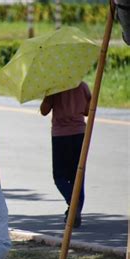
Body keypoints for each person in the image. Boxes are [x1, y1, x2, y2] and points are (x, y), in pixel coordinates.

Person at [40, 82, 91, 228]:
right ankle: (75, 209)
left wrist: (47, 95)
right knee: (78, 175)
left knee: (59, 176)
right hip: (80, 134)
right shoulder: (83, 86)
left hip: (60, 135)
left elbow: (44, 110)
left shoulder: (55, 87)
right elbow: (88, 110)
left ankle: (73, 205)